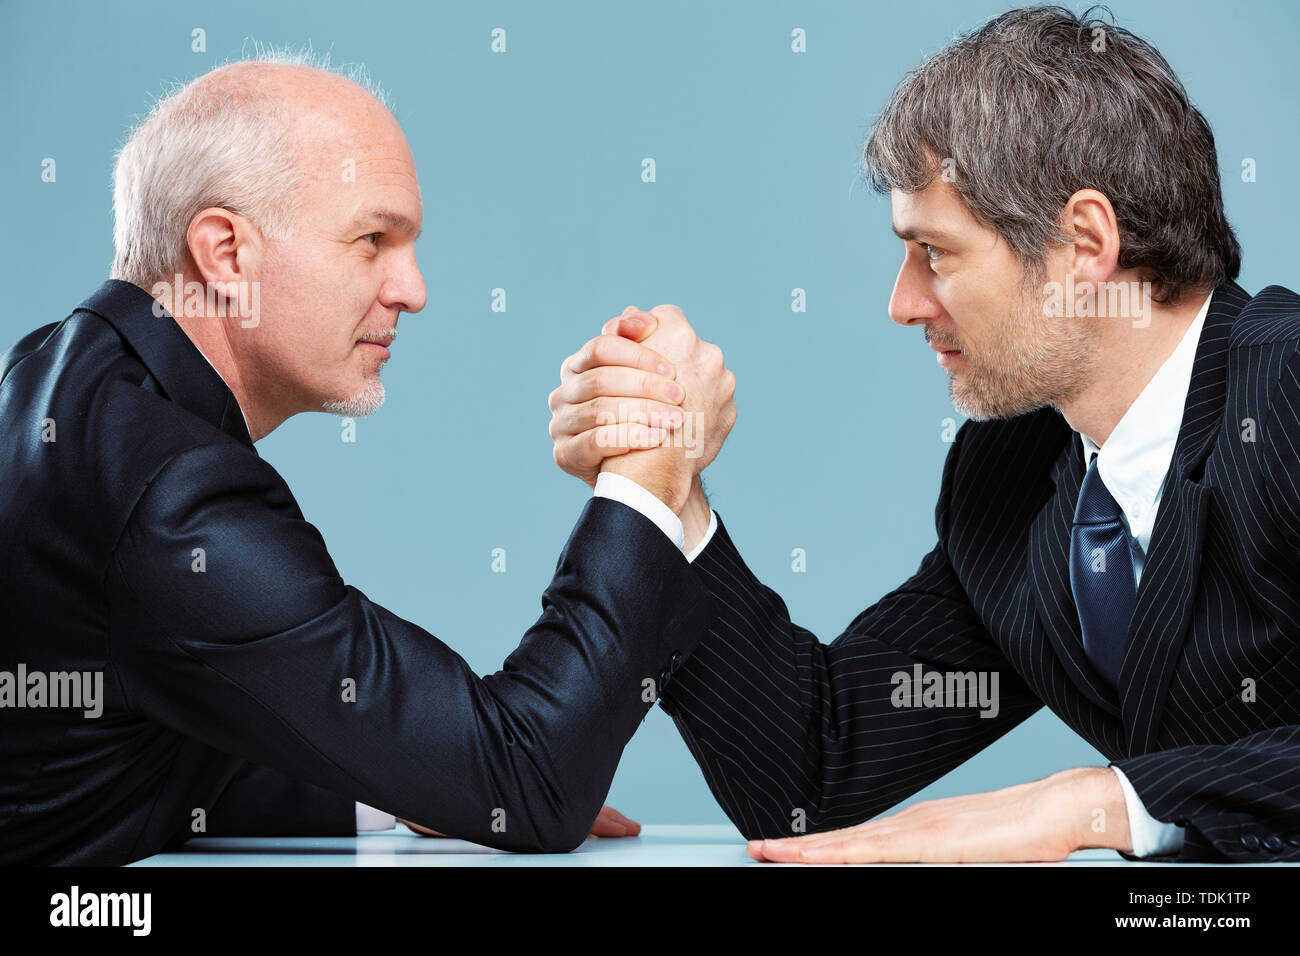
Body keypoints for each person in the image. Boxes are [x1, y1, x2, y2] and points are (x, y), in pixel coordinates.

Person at [548, 6, 1300, 862]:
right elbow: (808, 773)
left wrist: (1095, 803)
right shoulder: (1014, 476)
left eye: (934, 253)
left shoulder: (1288, 391)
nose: (902, 305)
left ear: (1085, 244)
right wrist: (667, 487)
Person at [0, 53, 735, 866]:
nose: (412, 289)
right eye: (371, 240)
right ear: (224, 253)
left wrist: (404, 782)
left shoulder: (52, 378)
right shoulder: (173, 494)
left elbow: (119, 747)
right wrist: (650, 470)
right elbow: (530, 776)